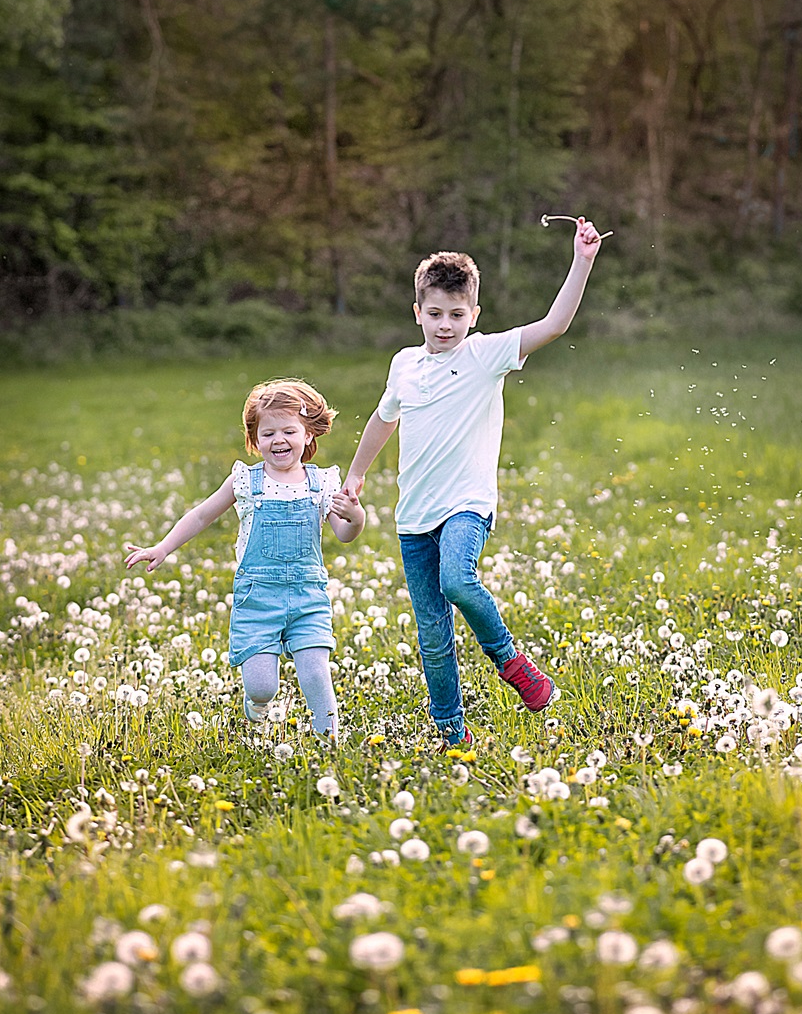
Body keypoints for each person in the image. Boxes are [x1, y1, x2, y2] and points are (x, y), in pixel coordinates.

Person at [343, 220, 602, 749]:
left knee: (458, 580)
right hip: (414, 518)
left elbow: (554, 324)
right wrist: (357, 472)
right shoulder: (404, 365)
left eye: (457, 315)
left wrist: (582, 260)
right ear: (417, 312)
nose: (445, 325)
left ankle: (511, 661)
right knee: (433, 640)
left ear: (474, 316)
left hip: (466, 504)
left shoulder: (485, 355)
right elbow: (382, 419)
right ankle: (451, 735)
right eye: (435, 314)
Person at [125, 378, 364, 739]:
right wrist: (163, 547)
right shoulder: (245, 481)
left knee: (316, 672)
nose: (279, 440)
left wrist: (356, 517)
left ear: (309, 435)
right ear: (255, 440)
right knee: (261, 685)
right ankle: (258, 707)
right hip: (258, 599)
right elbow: (202, 515)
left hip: (307, 597)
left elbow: (344, 535)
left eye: (289, 431)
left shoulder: (324, 483)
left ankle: (328, 741)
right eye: (268, 433)